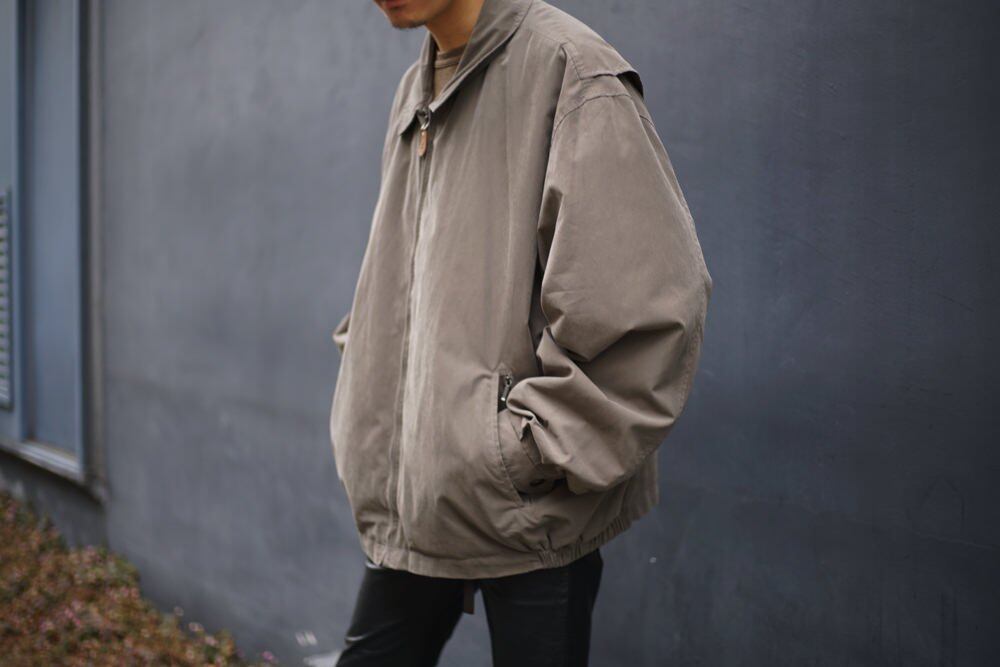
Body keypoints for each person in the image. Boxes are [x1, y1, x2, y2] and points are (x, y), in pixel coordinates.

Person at [329, 0, 713, 664]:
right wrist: (371, 401)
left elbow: (646, 314)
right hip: (414, 502)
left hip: (530, 516)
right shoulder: (415, 87)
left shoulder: (573, 71)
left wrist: (519, 455)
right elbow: (410, 279)